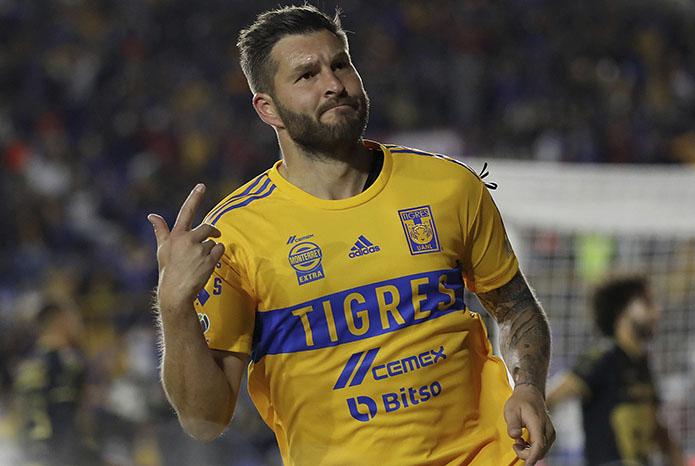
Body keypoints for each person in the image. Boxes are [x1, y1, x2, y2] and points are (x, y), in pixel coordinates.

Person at [148, 5, 555, 465]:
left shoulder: (448, 186)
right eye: (307, 75)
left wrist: (528, 387)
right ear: (268, 108)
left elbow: (515, 307)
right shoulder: (235, 234)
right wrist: (174, 307)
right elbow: (205, 420)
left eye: (340, 65)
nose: (334, 84)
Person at [546, 275, 685, 466]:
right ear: (621, 311)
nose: (657, 311)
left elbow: (657, 427)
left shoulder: (641, 363)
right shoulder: (603, 357)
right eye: (647, 303)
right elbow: (550, 398)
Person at [13, 301, 96, 466]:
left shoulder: (27, 365)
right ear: (60, 321)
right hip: (57, 456)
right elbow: (65, 419)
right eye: (74, 319)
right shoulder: (66, 364)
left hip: (30, 456)